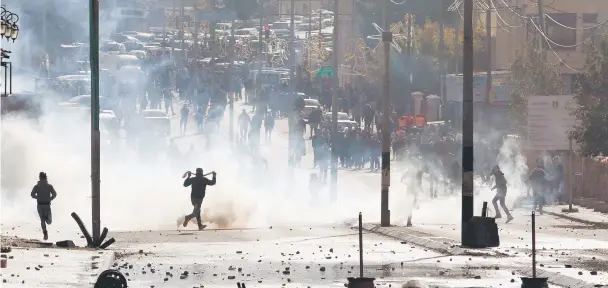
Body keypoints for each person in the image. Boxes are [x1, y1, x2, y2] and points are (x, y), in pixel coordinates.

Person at [31, 172, 57, 240]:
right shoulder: (49, 186)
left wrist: (38, 197)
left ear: (40, 178)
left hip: (41, 205)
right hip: (46, 204)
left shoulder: (37, 186)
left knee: (43, 220)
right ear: (46, 178)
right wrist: (50, 198)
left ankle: (45, 233)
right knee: (49, 221)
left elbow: (32, 195)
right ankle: (45, 233)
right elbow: (54, 194)